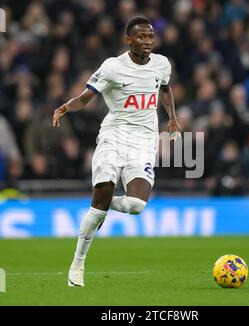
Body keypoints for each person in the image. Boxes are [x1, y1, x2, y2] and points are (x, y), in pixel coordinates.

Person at [52, 16, 181, 287]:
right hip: (114, 136)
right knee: (99, 206)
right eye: (141, 37)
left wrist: (172, 118)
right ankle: (78, 263)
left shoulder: (162, 64)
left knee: (136, 206)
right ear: (129, 40)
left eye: (150, 37)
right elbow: (86, 98)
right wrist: (65, 107)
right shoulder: (112, 67)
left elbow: (165, 88)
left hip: (144, 142)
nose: (147, 42)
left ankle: (101, 199)